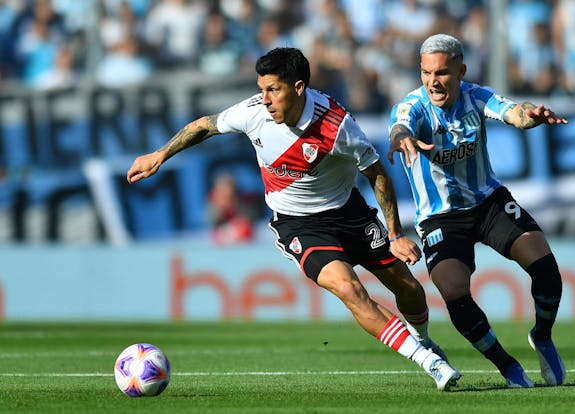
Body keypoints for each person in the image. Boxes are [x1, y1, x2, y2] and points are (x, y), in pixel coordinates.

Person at [127, 47, 460, 390]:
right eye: (262, 89)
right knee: (349, 288)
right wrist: (160, 155)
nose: (265, 99)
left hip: (349, 212)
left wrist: (394, 233)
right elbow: (204, 126)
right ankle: (428, 361)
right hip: (298, 223)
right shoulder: (252, 113)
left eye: (274, 90)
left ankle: (424, 339)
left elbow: (377, 173)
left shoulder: (336, 125)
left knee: (408, 289)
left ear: (299, 87)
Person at [387, 34, 567, 388]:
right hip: (440, 217)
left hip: (488, 203)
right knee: (453, 290)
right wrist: (400, 138)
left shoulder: (476, 96)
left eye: (441, 73)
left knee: (546, 268)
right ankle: (507, 365)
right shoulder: (414, 106)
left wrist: (532, 115)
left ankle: (542, 337)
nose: (433, 81)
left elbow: (514, 112)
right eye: (425, 73)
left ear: (461, 70)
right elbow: (399, 125)